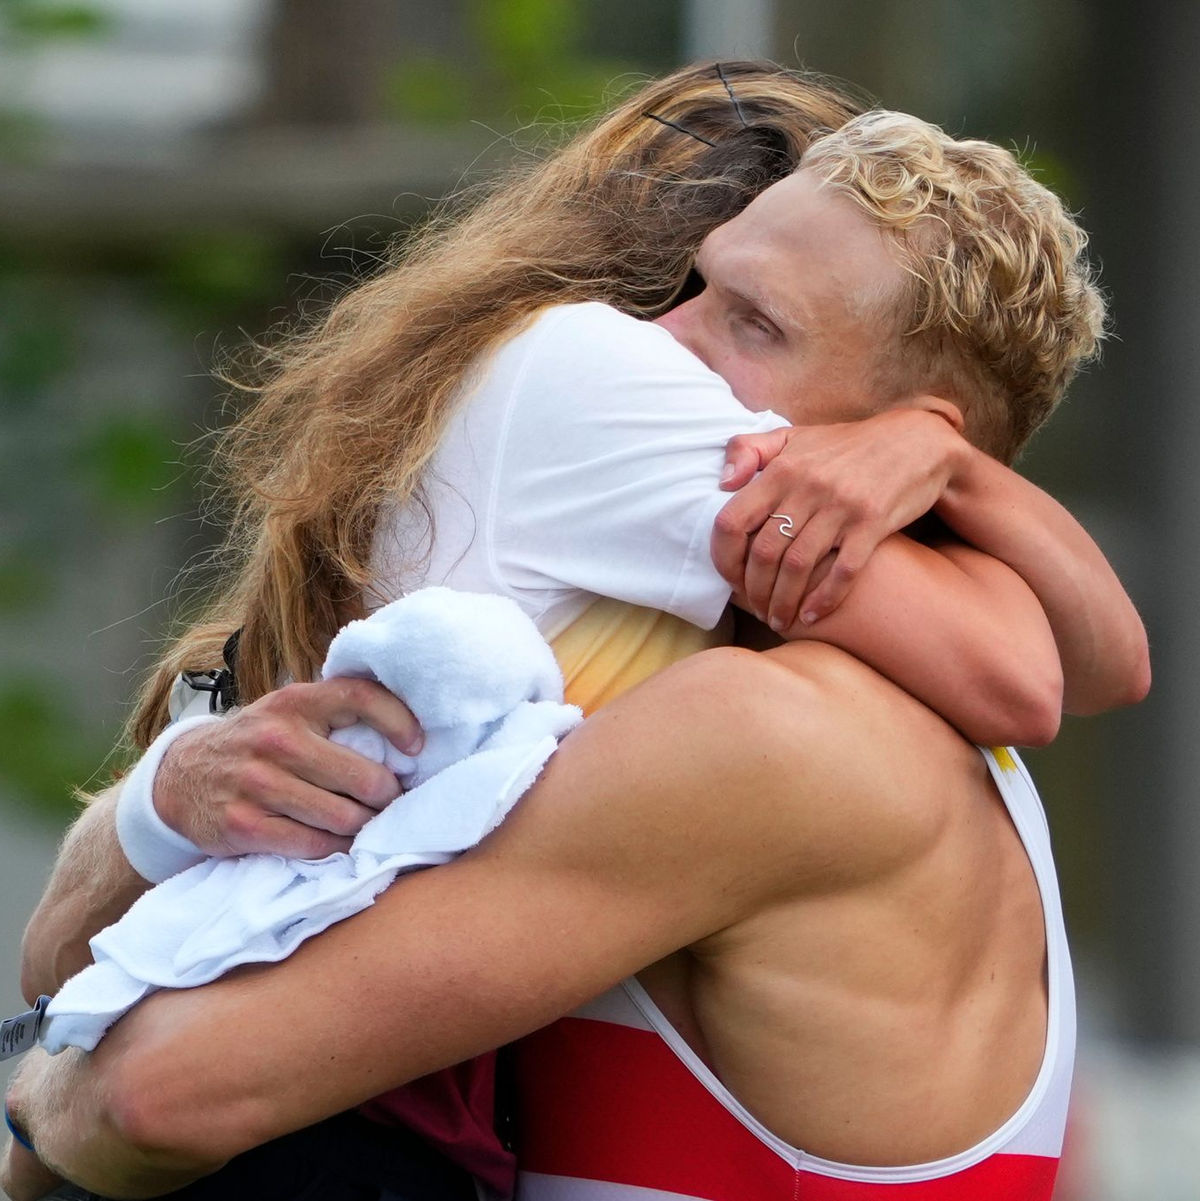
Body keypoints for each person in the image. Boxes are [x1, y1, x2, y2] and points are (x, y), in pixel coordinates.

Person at [6, 79, 1145, 1200]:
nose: (652, 342)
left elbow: (151, 1090)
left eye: (755, 323)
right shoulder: (757, 723)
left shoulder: (764, 739)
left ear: (883, 441)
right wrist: (164, 797)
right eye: (692, 287)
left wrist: (33, 1098)